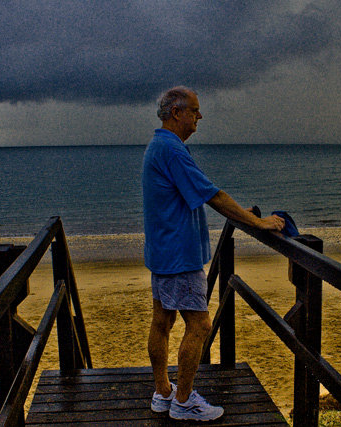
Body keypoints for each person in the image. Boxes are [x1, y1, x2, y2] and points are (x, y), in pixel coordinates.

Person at [142, 86, 285, 421]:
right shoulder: (173, 151)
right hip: (180, 256)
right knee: (201, 325)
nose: (199, 116)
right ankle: (183, 400)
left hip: (161, 252)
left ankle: (163, 392)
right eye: (194, 110)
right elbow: (213, 195)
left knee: (162, 321)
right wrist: (257, 222)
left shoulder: (157, 145)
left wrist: (243, 214)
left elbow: (191, 196)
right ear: (176, 113)